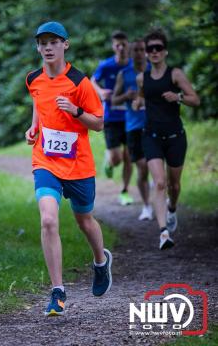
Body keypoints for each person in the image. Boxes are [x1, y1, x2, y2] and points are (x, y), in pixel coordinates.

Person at [25, 21, 112, 317]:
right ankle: (57, 291)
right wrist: (34, 126)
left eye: (53, 42)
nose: (47, 47)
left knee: (85, 220)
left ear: (65, 45)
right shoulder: (33, 78)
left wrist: (75, 111)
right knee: (48, 220)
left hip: (78, 165)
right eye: (43, 42)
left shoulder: (80, 82)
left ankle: (101, 261)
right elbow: (38, 101)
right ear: (38, 47)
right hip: (46, 161)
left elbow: (99, 123)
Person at [133, 29, 200, 250]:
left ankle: (172, 208)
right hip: (151, 136)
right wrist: (136, 102)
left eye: (158, 48)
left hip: (175, 137)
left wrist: (178, 97)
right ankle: (163, 232)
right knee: (160, 183)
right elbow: (142, 94)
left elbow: (195, 99)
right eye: (150, 49)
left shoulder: (175, 74)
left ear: (165, 51)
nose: (154, 52)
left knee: (174, 184)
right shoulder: (142, 77)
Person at [112, 38, 153, 221]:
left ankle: (161, 195)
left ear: (146, 51)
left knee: (158, 166)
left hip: (155, 124)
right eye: (134, 50)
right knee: (142, 167)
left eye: (141, 49)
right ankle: (146, 206)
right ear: (130, 52)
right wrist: (126, 96)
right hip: (134, 126)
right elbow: (113, 100)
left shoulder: (155, 71)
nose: (138, 53)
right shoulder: (124, 74)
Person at [91, 31, 133, 206]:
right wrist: (101, 92)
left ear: (128, 45)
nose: (121, 48)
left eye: (124, 44)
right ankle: (109, 162)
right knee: (117, 158)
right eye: (118, 45)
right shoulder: (106, 65)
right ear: (113, 46)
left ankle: (124, 191)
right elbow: (91, 81)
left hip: (132, 117)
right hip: (111, 117)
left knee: (129, 155)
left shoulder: (134, 65)